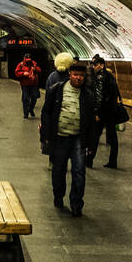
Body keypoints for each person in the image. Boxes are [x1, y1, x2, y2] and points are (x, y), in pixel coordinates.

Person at [41, 61, 99, 217]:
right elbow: (46, 112)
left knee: (79, 172)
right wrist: (46, 136)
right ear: (70, 75)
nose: (78, 78)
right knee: (59, 170)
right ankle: (58, 196)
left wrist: (92, 144)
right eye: (75, 75)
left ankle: (76, 204)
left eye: (81, 76)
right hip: (60, 137)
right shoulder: (57, 90)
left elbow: (92, 122)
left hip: (79, 139)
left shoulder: (88, 95)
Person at [87, 54, 124, 168]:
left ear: (101, 65)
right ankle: (113, 161)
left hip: (103, 112)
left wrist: (97, 112)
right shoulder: (110, 76)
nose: (93, 67)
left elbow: (99, 96)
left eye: (95, 65)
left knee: (95, 136)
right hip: (111, 111)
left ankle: (89, 160)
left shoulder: (100, 77)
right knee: (113, 138)